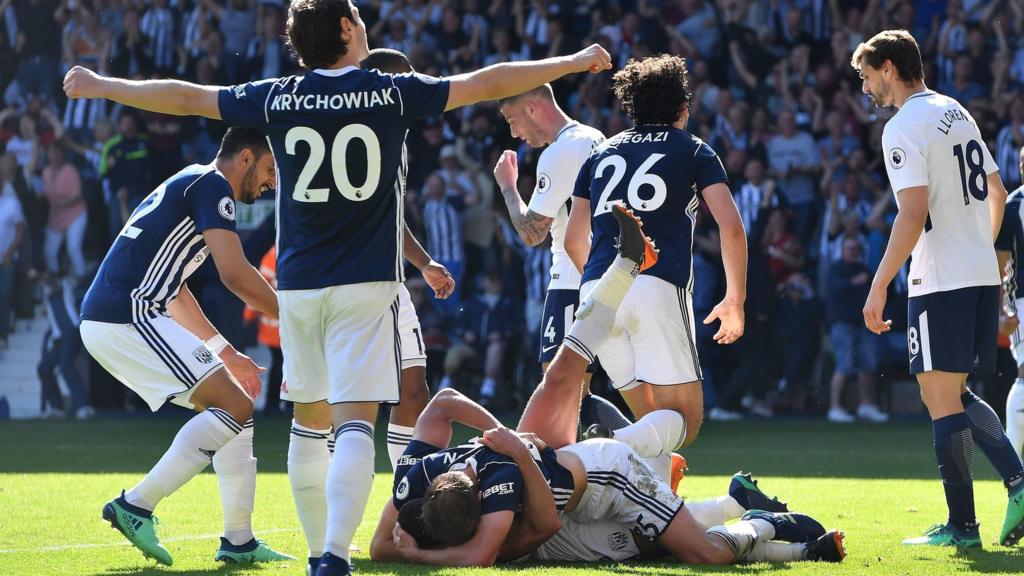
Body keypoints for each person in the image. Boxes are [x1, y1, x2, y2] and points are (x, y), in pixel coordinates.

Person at [63, 3, 612, 572]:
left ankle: (311, 549)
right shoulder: (386, 92)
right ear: (348, 29)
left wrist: (105, 85)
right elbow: (487, 81)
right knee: (354, 421)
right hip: (366, 280)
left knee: (308, 421)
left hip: (298, 284)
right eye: (357, 13)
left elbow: (186, 96)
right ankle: (330, 557)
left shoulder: (278, 95)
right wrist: (569, 61)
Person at [368, 206, 843, 567]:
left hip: (603, 476)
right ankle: (757, 517)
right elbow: (497, 544)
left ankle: (629, 265)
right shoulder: (449, 492)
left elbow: (477, 550)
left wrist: (510, 441)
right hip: (561, 494)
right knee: (652, 546)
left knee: (562, 372)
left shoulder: (454, 481)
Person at [79, 127, 290, 565]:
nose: (272, 182)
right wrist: (294, 316)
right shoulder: (214, 187)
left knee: (237, 404)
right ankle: (136, 505)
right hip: (128, 314)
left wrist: (225, 352)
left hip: (121, 314)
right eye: (270, 169)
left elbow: (175, 291)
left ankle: (239, 540)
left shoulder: (193, 181)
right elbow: (234, 273)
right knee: (234, 406)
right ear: (246, 158)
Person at [282, 47, 458, 574]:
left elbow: (389, 216)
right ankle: (358, 535)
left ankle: (390, 517)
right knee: (355, 412)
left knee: (408, 391)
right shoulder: (381, 125)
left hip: (339, 281)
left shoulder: (385, 138)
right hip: (365, 281)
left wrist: (424, 264)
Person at [854, 29, 1024, 547]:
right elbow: (997, 190)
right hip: (975, 272)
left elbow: (912, 212)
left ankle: (963, 527)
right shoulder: (957, 111)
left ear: (889, 67)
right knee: (952, 391)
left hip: (941, 277)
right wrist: (980, 244)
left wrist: (879, 283)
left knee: (938, 396)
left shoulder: (904, 124)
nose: (865, 89)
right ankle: (1017, 484)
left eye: (866, 76)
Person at [563, 54, 748, 464]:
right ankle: (600, 451)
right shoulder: (695, 150)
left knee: (652, 419)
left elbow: (575, 240)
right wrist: (734, 298)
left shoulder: (600, 153)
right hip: (656, 283)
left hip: (596, 291)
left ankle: (656, 513)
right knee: (685, 420)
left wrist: (607, 287)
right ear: (683, 107)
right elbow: (731, 227)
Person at [493, 84, 631, 436]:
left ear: (533, 108)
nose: (514, 133)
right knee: (578, 390)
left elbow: (531, 232)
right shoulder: (594, 136)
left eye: (512, 120)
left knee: (560, 389)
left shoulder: (560, 152)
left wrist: (508, 186)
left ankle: (638, 454)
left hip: (572, 278)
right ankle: (631, 455)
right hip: (602, 272)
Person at [996, 145, 1024, 462]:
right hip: (1022, 303)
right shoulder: (1013, 206)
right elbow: (999, 263)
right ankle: (1015, 475)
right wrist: (1000, 310)